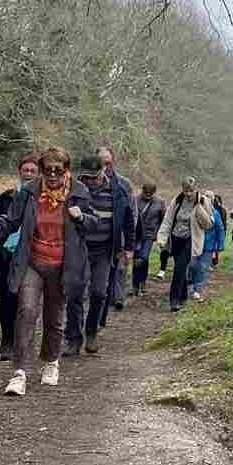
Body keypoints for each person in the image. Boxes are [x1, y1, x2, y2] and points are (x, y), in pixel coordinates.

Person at [0, 147, 97, 397]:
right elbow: (11, 220)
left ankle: (51, 362)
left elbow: (95, 223)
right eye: (47, 171)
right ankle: (20, 372)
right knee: (26, 311)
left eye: (58, 171)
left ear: (67, 171)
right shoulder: (30, 192)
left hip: (63, 265)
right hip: (32, 261)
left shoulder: (80, 193)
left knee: (54, 317)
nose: (52, 176)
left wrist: (81, 217)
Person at [69, 155, 133, 356]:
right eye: (85, 178)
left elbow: (128, 220)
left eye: (93, 178)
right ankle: (73, 338)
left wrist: (129, 247)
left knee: (99, 292)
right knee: (75, 293)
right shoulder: (74, 190)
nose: (89, 182)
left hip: (105, 250)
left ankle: (91, 332)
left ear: (102, 173)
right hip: (79, 248)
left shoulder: (118, 192)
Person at [0, 153, 39, 361]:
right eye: (25, 170)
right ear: (19, 171)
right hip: (4, 255)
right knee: (6, 298)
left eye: (33, 171)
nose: (28, 173)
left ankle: (24, 341)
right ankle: (7, 340)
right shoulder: (6, 197)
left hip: (30, 255)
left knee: (26, 300)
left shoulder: (42, 199)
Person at [155, 177, 214, 312]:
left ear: (196, 188)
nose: (188, 193)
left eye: (191, 191)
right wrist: (162, 238)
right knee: (179, 268)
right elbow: (168, 220)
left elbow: (210, 224)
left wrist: (200, 210)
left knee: (180, 268)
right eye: (185, 190)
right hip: (176, 238)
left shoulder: (204, 201)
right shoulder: (177, 200)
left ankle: (174, 300)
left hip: (190, 239)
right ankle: (183, 296)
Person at [95, 147, 135, 312]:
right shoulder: (84, 183)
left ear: (113, 163)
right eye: (101, 163)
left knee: (118, 270)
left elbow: (131, 214)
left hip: (118, 237)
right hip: (93, 239)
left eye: (108, 163)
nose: (105, 167)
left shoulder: (124, 184)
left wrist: (130, 245)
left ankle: (116, 298)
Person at [132, 182, 165, 295]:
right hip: (136, 235)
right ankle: (135, 284)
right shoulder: (135, 200)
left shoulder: (160, 202)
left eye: (150, 194)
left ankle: (142, 282)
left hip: (150, 235)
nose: (147, 196)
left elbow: (163, 220)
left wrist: (159, 234)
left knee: (144, 258)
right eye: (145, 194)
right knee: (137, 260)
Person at [188, 190, 221, 302]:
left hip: (208, 245)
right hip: (195, 244)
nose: (207, 198)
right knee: (192, 265)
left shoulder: (215, 213)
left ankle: (198, 290)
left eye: (209, 197)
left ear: (212, 199)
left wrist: (219, 245)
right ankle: (190, 285)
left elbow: (220, 229)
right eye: (205, 196)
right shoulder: (196, 210)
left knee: (203, 268)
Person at [211, 194, 227, 270]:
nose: (216, 202)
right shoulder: (211, 209)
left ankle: (214, 262)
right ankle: (212, 262)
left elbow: (223, 221)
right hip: (213, 230)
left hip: (219, 230)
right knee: (212, 247)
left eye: (217, 200)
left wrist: (224, 231)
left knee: (216, 247)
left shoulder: (222, 210)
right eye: (215, 200)